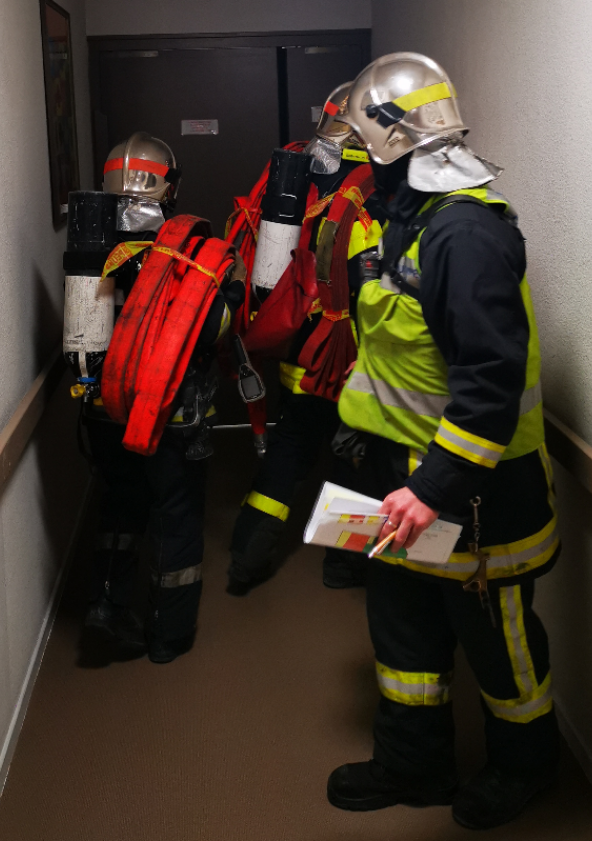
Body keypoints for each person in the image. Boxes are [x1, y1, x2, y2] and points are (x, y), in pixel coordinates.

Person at [325, 53, 560, 831]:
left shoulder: (466, 234)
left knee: (499, 648)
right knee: (403, 635)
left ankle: (525, 768)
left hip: (471, 499)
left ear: (393, 144)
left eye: (363, 147)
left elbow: (490, 385)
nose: (357, 165)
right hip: (395, 484)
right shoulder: (408, 219)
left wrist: (432, 490)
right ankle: (413, 764)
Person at [74, 133, 243, 665]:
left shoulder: (92, 243)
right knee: (177, 514)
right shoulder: (186, 248)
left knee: (119, 506)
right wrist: (233, 292)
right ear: (169, 186)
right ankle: (168, 635)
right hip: (172, 412)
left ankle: (106, 607)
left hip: (104, 408)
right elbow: (214, 329)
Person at [227, 85, 383, 593]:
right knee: (351, 458)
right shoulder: (375, 191)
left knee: (288, 451)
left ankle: (245, 561)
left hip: (297, 352)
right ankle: (343, 566)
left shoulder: (302, 179)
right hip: (346, 361)